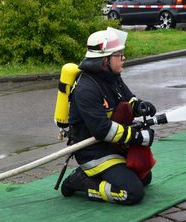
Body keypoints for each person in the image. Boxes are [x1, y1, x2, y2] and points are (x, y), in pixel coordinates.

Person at [60, 28, 157, 205]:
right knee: (133, 193)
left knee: (145, 178)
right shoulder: (86, 89)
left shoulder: (112, 76)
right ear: (105, 60)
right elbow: (102, 130)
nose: (124, 58)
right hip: (94, 152)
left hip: (113, 146)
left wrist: (140, 106)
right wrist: (138, 137)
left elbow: (128, 99)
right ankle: (82, 181)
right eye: (119, 55)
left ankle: (106, 174)